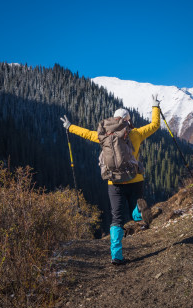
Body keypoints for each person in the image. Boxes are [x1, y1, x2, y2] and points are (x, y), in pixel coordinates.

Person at [60, 95, 160, 265]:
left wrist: (70, 127)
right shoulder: (135, 133)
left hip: (113, 183)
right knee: (135, 212)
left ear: (114, 119)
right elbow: (155, 125)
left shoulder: (103, 136)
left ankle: (116, 256)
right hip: (135, 179)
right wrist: (155, 106)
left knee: (116, 219)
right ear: (128, 120)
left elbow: (86, 133)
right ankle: (138, 211)